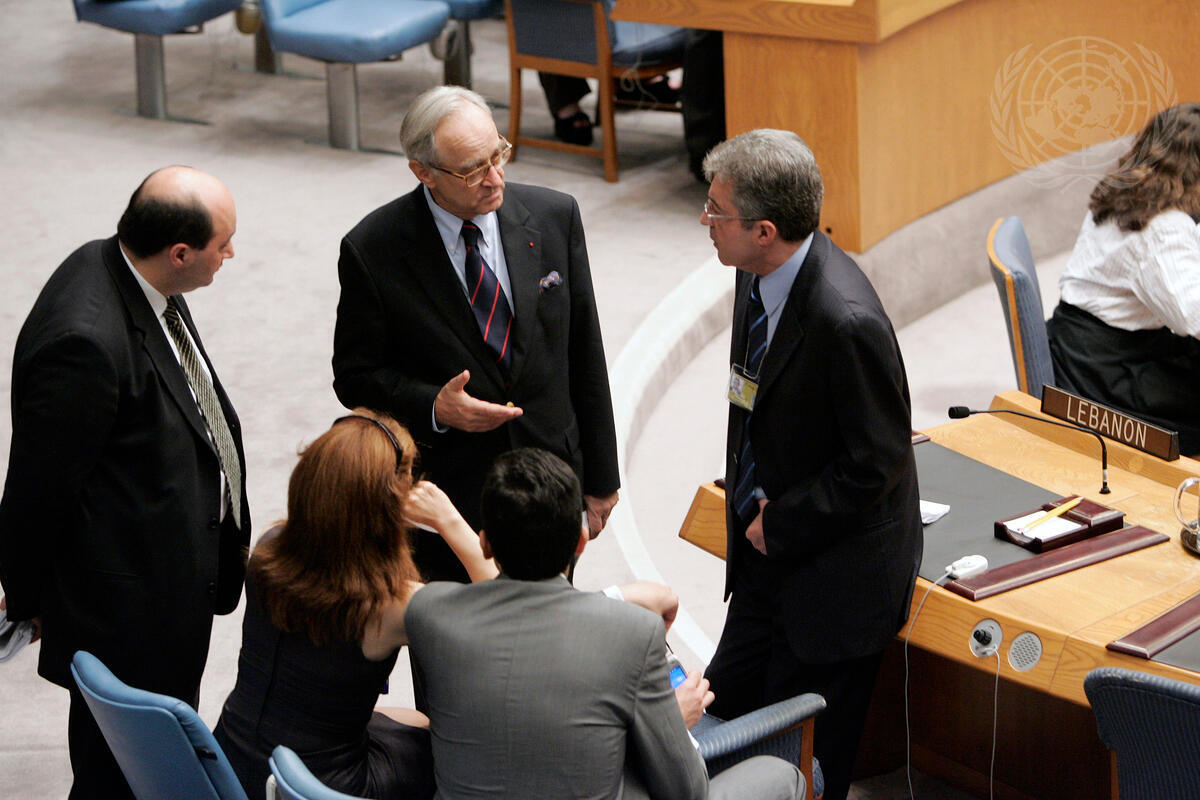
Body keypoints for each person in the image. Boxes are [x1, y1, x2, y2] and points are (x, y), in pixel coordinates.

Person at [0, 166, 251, 799]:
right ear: (180, 252)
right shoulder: (83, 343)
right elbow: (37, 490)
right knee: (121, 771)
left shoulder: (130, 269)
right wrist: (30, 599)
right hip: (129, 612)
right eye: (223, 243)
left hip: (162, 586)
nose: (230, 254)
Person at [698, 130, 923, 800]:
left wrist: (783, 522)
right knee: (727, 705)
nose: (705, 223)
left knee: (806, 768)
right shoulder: (756, 270)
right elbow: (753, 392)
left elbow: (876, 462)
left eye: (716, 212)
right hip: (767, 554)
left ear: (764, 230)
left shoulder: (846, 321)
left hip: (834, 583)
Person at [332, 85, 619, 582]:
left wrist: (601, 478)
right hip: (451, 502)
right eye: (472, 170)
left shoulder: (554, 216)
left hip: (551, 485)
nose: (495, 178)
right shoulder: (373, 249)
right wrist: (434, 407)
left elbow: (584, 350)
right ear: (423, 171)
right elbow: (354, 376)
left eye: (499, 154)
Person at [405, 447, 805, 800]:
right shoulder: (632, 634)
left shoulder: (429, 614)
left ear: (485, 542)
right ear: (580, 541)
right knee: (786, 773)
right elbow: (686, 790)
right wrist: (674, 722)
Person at [213, 411, 496, 799]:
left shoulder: (269, 547)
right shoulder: (393, 605)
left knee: (413, 719)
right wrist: (450, 521)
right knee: (455, 756)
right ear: (387, 504)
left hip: (232, 761)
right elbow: (511, 612)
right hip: (324, 786)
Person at [1047, 103, 1200, 455]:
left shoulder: (1128, 191)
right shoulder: (1163, 226)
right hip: (1105, 374)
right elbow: (1191, 317)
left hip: (1075, 344)